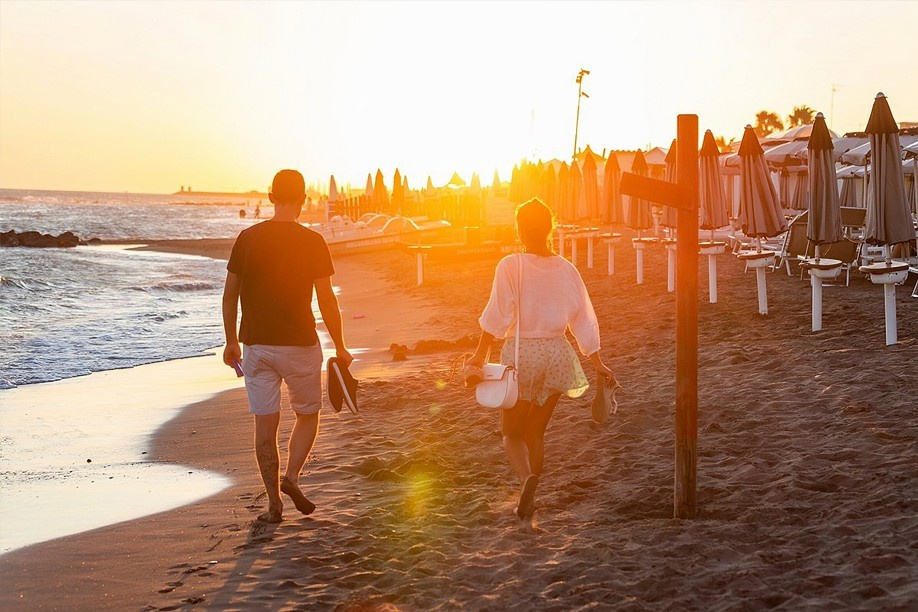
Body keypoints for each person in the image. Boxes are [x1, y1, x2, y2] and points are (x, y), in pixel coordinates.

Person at [465, 198, 614, 521]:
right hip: (558, 355)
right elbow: (584, 319)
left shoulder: (510, 265)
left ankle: (525, 483)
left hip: (522, 356)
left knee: (511, 433)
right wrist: (597, 361)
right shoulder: (567, 269)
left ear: (520, 230)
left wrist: (479, 355)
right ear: (550, 228)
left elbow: (497, 314)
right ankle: (532, 490)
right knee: (535, 432)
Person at [222, 169, 352, 523]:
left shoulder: (248, 238)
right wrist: (341, 346)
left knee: (265, 425)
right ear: (304, 200)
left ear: (271, 197)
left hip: (257, 347)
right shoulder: (313, 241)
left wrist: (231, 340)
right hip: (300, 345)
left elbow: (230, 295)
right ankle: (292, 477)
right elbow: (326, 299)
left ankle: (273, 505)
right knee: (307, 414)